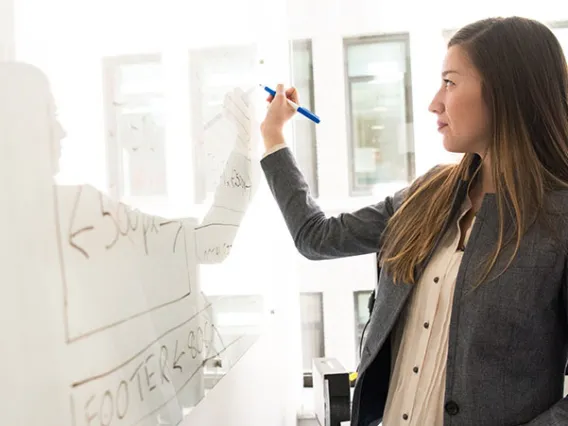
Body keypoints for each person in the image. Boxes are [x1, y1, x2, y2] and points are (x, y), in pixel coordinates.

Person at [260, 16, 568, 426]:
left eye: (450, 82)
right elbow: (315, 237)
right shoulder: (426, 197)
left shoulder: (558, 222)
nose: (434, 102)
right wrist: (274, 136)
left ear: (506, 92)